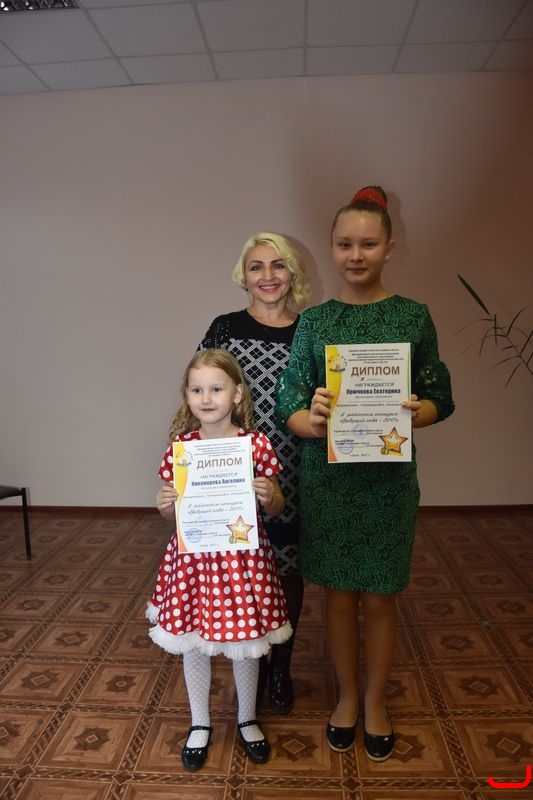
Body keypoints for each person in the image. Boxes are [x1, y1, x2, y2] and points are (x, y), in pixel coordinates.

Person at [276, 186, 454, 761]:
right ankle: (347, 696)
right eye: (345, 244)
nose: (356, 255)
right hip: (329, 481)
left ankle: (375, 701)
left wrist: (416, 411)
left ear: (389, 248)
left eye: (369, 244)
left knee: (379, 597)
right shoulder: (314, 322)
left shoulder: (412, 317)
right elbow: (289, 403)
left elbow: (440, 395)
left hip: (387, 483)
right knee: (338, 597)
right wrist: (312, 420)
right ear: (331, 248)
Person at [147, 348, 292, 771]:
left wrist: (270, 495)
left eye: (216, 389)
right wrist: (164, 505)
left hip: (242, 561)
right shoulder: (181, 449)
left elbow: (277, 506)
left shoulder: (255, 445)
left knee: (244, 644)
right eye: (196, 390)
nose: (206, 398)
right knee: (194, 640)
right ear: (187, 396)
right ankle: (200, 722)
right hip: (194, 562)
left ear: (237, 394)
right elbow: (172, 514)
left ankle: (247, 718)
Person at [198, 232, 311, 713]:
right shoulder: (224, 328)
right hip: (232, 471)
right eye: (257, 266)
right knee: (244, 568)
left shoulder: (310, 330)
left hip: (294, 468)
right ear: (243, 276)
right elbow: (202, 385)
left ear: (293, 273)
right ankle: (252, 663)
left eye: (278, 265)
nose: (268, 276)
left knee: (286, 570)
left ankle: (280, 665)